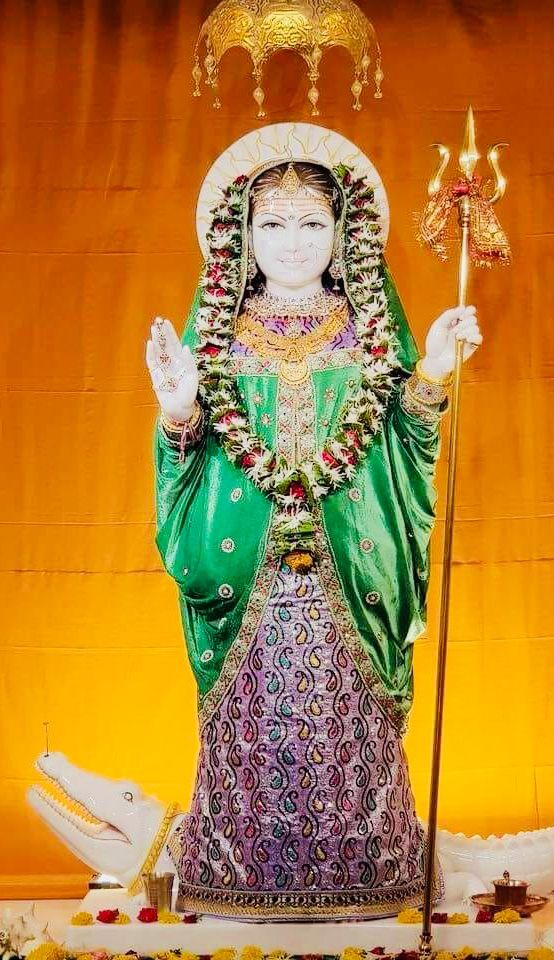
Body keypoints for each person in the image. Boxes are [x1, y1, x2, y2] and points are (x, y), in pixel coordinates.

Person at [146, 150, 481, 920]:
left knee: (346, 724)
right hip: (248, 583)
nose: (293, 243)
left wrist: (431, 371)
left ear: (342, 234)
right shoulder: (217, 341)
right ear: (241, 237)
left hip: (351, 579)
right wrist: (178, 409)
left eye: (311, 224)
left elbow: (407, 442)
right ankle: (239, 882)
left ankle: (370, 878)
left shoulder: (367, 335)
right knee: (255, 728)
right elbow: (184, 462)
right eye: (272, 225)